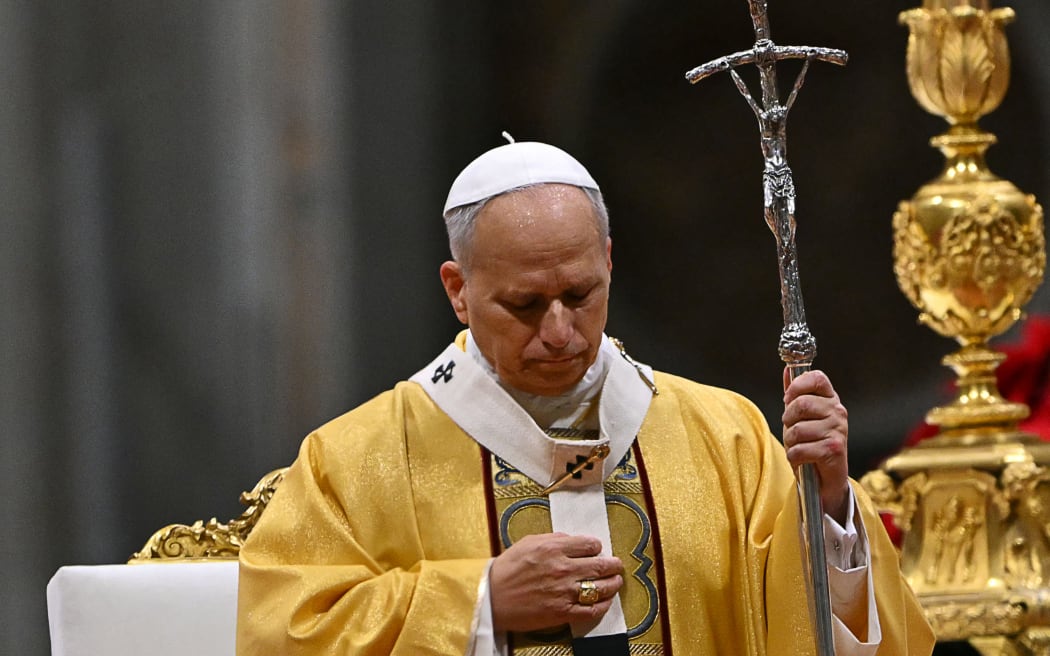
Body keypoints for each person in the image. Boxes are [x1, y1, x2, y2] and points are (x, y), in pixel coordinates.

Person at [236, 140, 934, 655]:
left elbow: (817, 629)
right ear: (458, 290)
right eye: (524, 304)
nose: (559, 332)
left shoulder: (727, 438)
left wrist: (828, 502)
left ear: (609, 261)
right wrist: (480, 602)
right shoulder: (357, 461)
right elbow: (285, 630)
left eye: (580, 294)